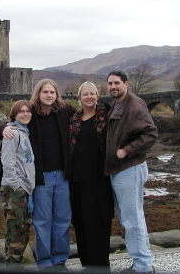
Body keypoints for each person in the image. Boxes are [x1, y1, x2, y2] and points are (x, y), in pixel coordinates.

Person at [2, 79, 75, 269]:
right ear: (38, 94)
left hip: (63, 177)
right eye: (45, 92)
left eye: (52, 92)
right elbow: (14, 124)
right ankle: (44, 262)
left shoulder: (65, 111)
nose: (49, 95)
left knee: (62, 220)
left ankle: (60, 260)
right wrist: (3, 128)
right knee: (42, 222)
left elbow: (86, 118)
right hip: (40, 178)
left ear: (56, 94)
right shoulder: (31, 114)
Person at [105, 71, 158, 274]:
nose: (113, 87)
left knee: (133, 218)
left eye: (116, 83)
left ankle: (143, 266)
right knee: (129, 218)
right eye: (110, 83)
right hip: (118, 170)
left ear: (126, 83)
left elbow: (151, 133)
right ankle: (141, 263)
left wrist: (126, 150)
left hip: (130, 169)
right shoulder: (117, 104)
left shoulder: (134, 104)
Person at [69, 82, 114, 269]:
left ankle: (101, 265)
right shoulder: (74, 118)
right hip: (76, 181)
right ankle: (87, 263)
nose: (89, 97)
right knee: (80, 221)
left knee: (99, 220)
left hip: (99, 179)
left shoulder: (107, 116)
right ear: (79, 98)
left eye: (92, 94)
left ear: (98, 96)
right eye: (85, 94)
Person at [0, 100, 35, 265]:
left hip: (24, 190)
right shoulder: (12, 133)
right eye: (21, 111)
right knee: (16, 232)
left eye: (28, 111)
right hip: (16, 191)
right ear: (14, 115)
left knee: (22, 231)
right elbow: (7, 163)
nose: (26, 114)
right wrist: (17, 187)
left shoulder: (24, 132)